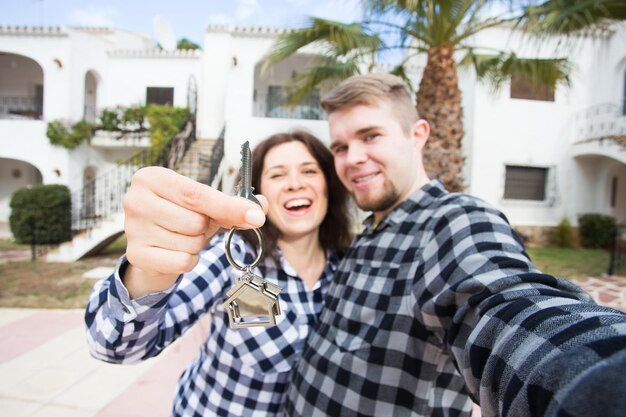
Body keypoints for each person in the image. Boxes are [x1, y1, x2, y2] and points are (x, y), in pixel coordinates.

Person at [283, 74, 626, 417]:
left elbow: (507, 307)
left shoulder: (453, 220)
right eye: (340, 147)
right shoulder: (370, 231)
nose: (352, 158)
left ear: (417, 135)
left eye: (370, 136)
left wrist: (595, 379)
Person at [85, 131, 352, 416]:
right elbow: (115, 347)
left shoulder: (348, 267)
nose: (295, 184)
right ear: (257, 191)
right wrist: (149, 273)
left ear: (327, 184)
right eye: (277, 175)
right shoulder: (232, 259)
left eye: (309, 171)